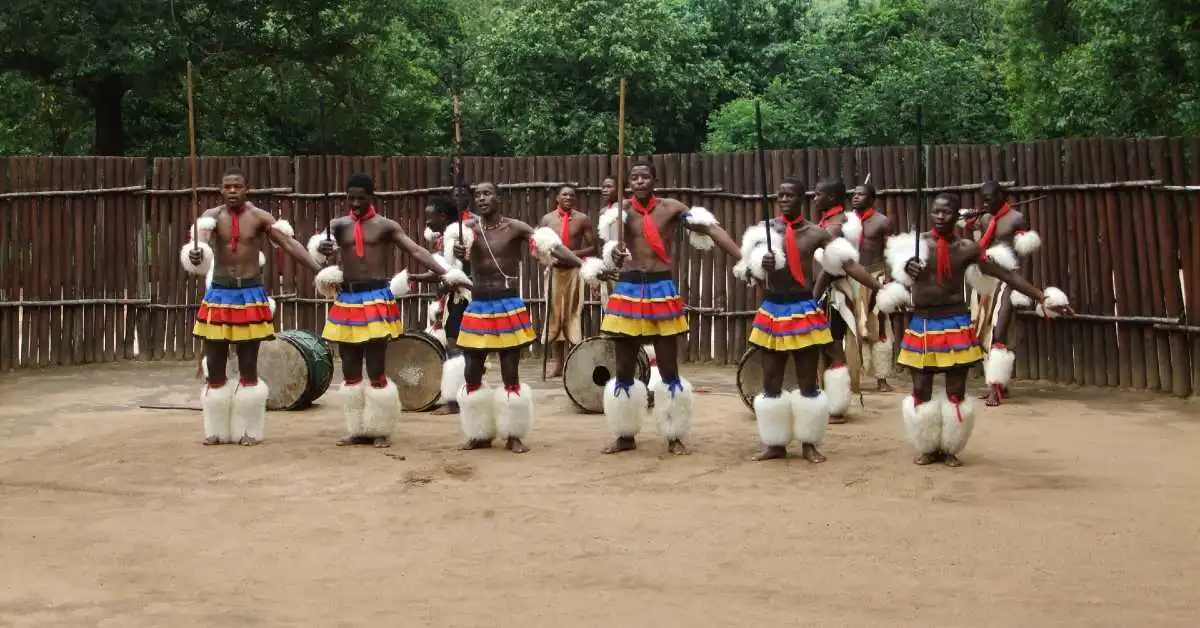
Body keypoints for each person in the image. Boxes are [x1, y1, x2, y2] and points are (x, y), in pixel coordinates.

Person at [875, 193, 1071, 467]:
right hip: (923, 323)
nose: (940, 217)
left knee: (956, 389)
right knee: (921, 389)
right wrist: (904, 266)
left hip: (954, 322)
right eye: (936, 212)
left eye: (946, 212)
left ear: (957, 216)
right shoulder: (915, 244)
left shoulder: (967, 248)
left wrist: (1043, 297)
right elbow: (891, 271)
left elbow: (1007, 275)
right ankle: (928, 446)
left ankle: (951, 447)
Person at [588, 161, 741, 455]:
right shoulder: (619, 211)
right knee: (623, 369)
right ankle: (625, 435)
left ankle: (674, 435)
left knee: (669, 368)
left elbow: (709, 228)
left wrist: (742, 257)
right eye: (634, 177)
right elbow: (609, 247)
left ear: (655, 181)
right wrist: (614, 252)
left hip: (661, 289)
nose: (640, 181)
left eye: (645, 177)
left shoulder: (672, 208)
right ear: (629, 182)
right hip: (629, 289)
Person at [308, 174, 470, 448]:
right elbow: (318, 252)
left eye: (361, 197)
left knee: (375, 367)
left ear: (372, 197)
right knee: (349, 368)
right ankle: (357, 428)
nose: (356, 203)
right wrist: (320, 249)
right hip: (347, 298)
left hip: (374, 298)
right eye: (351, 198)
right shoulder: (337, 225)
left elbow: (416, 250)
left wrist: (446, 272)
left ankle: (379, 428)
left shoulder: (385, 226)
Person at [733, 178, 883, 462]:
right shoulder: (764, 232)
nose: (784, 199)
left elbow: (849, 264)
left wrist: (879, 288)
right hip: (774, 309)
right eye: (780, 195)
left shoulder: (817, 233)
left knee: (807, 379)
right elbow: (745, 274)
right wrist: (759, 267)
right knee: (771, 378)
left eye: (790, 195)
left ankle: (809, 443)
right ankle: (775, 444)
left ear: (802, 198)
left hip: (803, 307)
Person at [180, 167, 322, 446]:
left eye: (237, 186)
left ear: (248, 188)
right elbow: (199, 249)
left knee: (248, 364)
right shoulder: (210, 218)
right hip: (220, 294)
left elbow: (289, 244)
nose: (232, 191)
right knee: (215, 362)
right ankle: (216, 430)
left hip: (249, 294)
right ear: (220, 190)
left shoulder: (259, 217)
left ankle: (250, 430)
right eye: (227, 186)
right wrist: (195, 255)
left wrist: (319, 270)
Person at [450, 182, 584, 453]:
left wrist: (584, 265)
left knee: (510, 370)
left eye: (487, 193)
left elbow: (551, 247)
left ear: (499, 198)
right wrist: (458, 255)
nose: (482, 198)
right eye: (478, 195)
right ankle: (479, 433)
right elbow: (455, 263)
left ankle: (514, 434)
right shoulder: (467, 231)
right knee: (471, 369)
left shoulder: (516, 228)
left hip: (507, 303)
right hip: (478, 305)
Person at [971, 181, 1041, 407]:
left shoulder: (1016, 219)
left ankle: (996, 389)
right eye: (982, 198)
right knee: (982, 331)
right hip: (986, 279)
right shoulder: (983, 219)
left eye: (989, 197)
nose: (985, 202)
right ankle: (997, 383)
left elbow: (1024, 256)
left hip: (1008, 279)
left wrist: (1022, 290)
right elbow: (977, 248)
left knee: (998, 332)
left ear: (1003, 195)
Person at [411, 195, 471, 416]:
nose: (427, 223)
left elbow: (460, 273)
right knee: (454, 346)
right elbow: (441, 273)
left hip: (462, 299)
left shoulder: (457, 238)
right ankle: (461, 394)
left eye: (430, 218)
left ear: (443, 216)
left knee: (456, 347)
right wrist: (415, 277)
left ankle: (456, 401)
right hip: (452, 300)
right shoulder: (445, 238)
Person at [537, 184, 600, 377]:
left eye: (572, 195)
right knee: (555, 315)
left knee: (573, 314)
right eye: (564, 194)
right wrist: (547, 258)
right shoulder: (547, 219)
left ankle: (574, 363)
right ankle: (558, 364)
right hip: (555, 271)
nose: (568, 197)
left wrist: (572, 255)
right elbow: (536, 245)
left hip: (574, 271)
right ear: (557, 198)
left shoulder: (582, 219)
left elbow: (593, 248)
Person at [811, 178, 859, 422]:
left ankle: (838, 406)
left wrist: (814, 294)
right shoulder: (831, 222)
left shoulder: (836, 226)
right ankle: (829, 399)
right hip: (827, 293)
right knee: (827, 345)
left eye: (818, 194)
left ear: (831, 198)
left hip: (832, 294)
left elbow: (831, 267)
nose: (814, 197)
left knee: (832, 345)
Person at [848, 184, 897, 392]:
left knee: (879, 326)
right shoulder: (847, 221)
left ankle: (882, 378)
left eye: (861, 194)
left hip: (876, 277)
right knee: (852, 327)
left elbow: (890, 252)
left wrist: (889, 279)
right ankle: (853, 376)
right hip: (851, 279)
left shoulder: (882, 222)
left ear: (872, 199)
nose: (855, 197)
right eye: (854, 193)